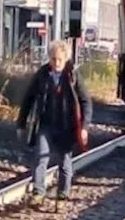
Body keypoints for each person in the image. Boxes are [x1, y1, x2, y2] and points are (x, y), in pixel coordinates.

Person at [16, 40, 92, 207]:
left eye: (59, 59)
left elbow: (85, 101)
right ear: (49, 58)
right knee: (40, 158)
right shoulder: (42, 75)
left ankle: (63, 194)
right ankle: (38, 192)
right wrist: (21, 124)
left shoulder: (73, 76)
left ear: (65, 59)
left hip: (66, 126)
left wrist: (84, 127)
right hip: (45, 125)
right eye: (53, 59)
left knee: (64, 162)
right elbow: (28, 99)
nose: (56, 63)